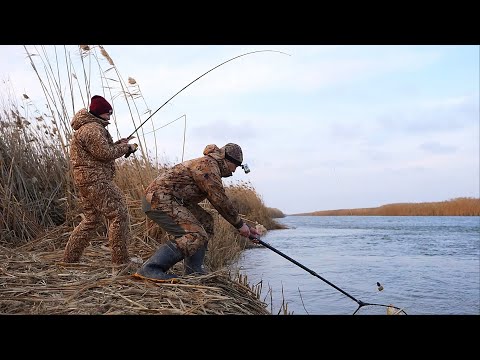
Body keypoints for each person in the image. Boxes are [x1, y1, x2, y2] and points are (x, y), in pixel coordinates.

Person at [134, 142, 260, 281]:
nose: (234, 171)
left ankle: (193, 270)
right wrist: (240, 225)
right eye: (235, 166)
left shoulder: (212, 165)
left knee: (205, 221)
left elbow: (221, 202)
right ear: (227, 160)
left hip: (174, 200)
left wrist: (245, 227)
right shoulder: (208, 166)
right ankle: (150, 269)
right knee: (195, 235)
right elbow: (220, 200)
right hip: (157, 200)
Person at [63, 95, 138, 267]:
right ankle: (121, 262)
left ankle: (69, 260)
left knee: (91, 219)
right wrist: (126, 148)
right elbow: (105, 154)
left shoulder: (89, 128)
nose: (109, 117)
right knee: (118, 213)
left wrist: (119, 143)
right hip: (96, 181)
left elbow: (101, 150)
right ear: (98, 112)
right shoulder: (92, 129)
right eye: (107, 114)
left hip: (87, 181)